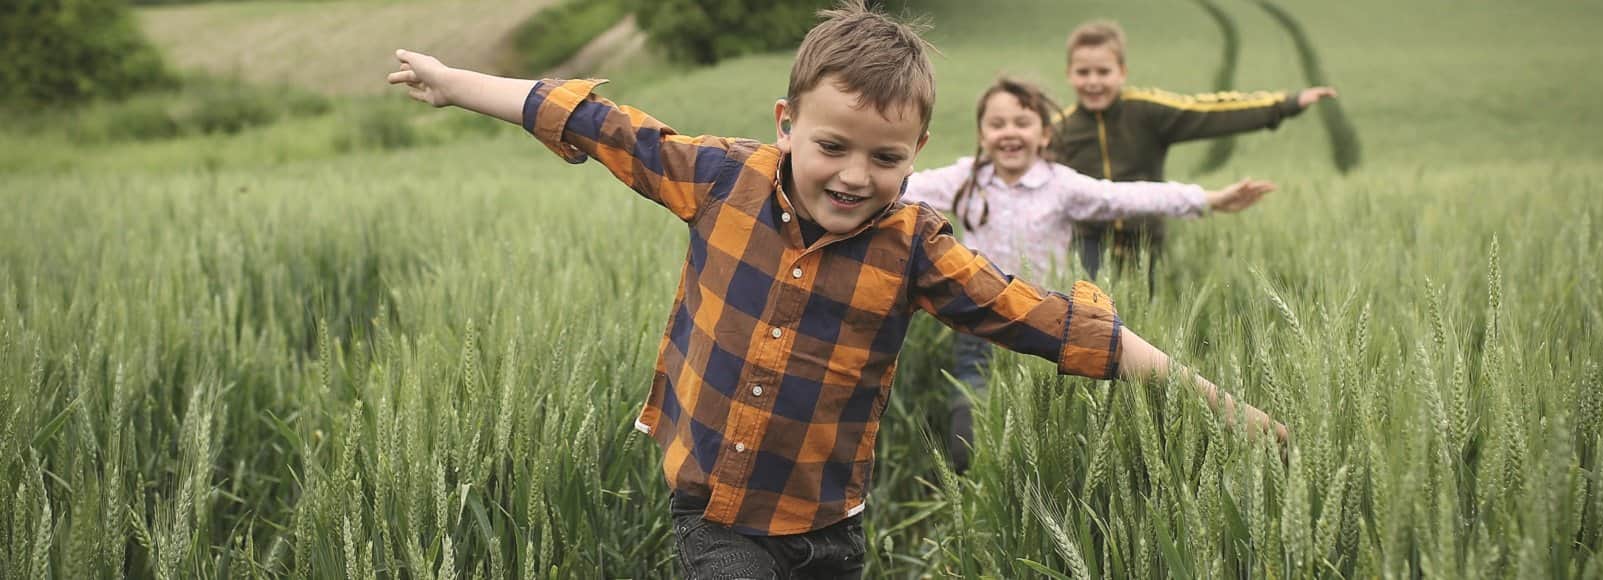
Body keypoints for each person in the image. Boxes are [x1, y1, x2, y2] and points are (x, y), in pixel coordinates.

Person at [387, 2, 1287, 576]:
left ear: (918, 153)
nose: (856, 175)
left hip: (833, 530)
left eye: (887, 158)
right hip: (721, 513)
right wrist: (456, 82)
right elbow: (596, 121)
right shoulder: (718, 177)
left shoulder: (918, 249)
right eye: (832, 147)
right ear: (787, 126)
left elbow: (1054, 325)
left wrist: (1224, 406)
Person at [902, 76, 1275, 473]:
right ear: (982, 133)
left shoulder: (1061, 185)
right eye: (997, 124)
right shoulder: (966, 179)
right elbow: (904, 186)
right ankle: (973, 488)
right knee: (968, 441)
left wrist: (1207, 199)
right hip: (975, 327)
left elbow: (1125, 196)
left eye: (1021, 123)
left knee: (1041, 432)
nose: (1009, 132)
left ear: (1044, 134)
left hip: (1042, 325)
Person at [1053, 19, 1338, 279]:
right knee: (1084, 324)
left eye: (1103, 71)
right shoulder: (1058, 129)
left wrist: (1284, 104)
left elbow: (1211, 112)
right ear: (1069, 74)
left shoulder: (1147, 111)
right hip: (1086, 243)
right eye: (1083, 72)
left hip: (1145, 240)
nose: (1093, 81)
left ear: (1123, 72)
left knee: (1139, 323)